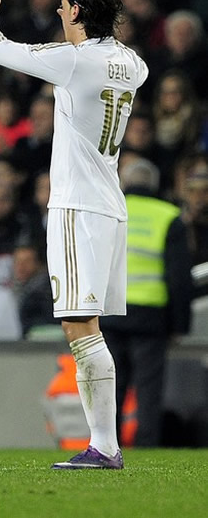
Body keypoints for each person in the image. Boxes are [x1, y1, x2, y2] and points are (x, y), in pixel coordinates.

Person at [0, 0, 148, 469]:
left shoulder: (77, 60)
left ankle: (104, 446)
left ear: (76, 11)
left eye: (64, 1)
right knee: (88, 325)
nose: (56, 8)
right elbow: (127, 63)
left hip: (77, 206)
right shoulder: (131, 64)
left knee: (80, 327)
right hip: (110, 205)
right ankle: (105, 444)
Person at [101, 158, 192, 447]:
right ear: (154, 185)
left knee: (109, 387)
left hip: (111, 313)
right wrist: (180, 324)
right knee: (148, 390)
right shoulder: (168, 216)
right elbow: (179, 278)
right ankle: (146, 445)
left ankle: (106, 446)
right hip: (151, 318)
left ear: (124, 183)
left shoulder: (109, 211)